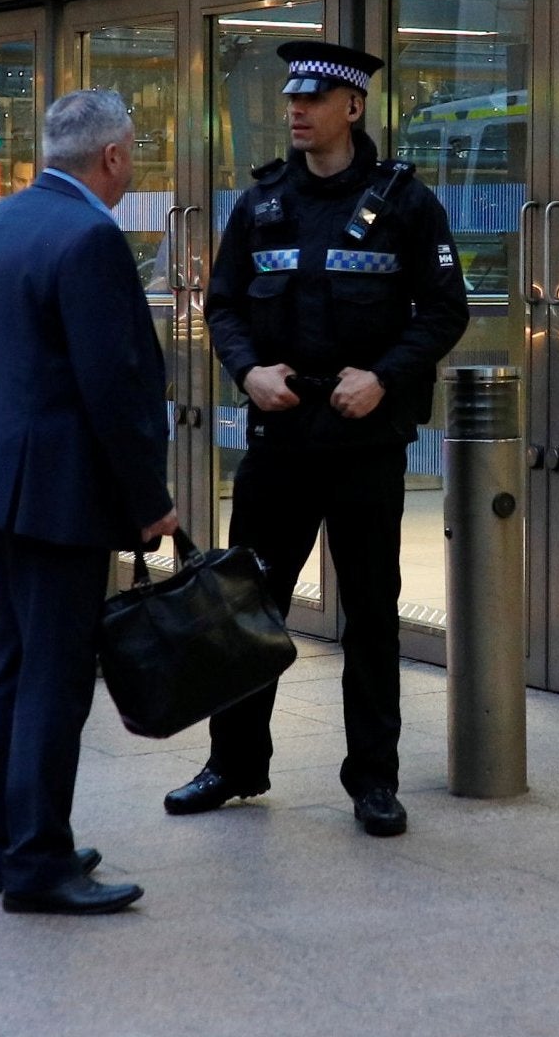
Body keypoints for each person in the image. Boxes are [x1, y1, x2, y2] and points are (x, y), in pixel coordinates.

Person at [167, 41, 467, 838]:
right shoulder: (261, 202)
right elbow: (223, 305)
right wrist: (246, 369)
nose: (295, 111)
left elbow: (443, 312)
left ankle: (373, 779)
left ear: (353, 108)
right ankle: (234, 764)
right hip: (279, 444)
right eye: (291, 100)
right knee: (245, 610)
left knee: (369, 615)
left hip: (364, 444)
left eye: (313, 100)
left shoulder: (405, 203)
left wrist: (383, 377)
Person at [0, 89, 177, 915]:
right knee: (53, 673)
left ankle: (7, 845)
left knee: (12, 661)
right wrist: (150, 499)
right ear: (113, 158)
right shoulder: (90, 238)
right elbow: (111, 387)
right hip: (60, 489)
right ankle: (40, 862)